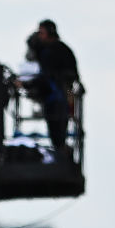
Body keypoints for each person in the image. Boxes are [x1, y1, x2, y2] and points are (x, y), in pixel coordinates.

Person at [26, 19, 79, 153]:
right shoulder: (62, 49)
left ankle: (61, 152)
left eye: (41, 33)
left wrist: (27, 84)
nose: (39, 36)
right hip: (64, 95)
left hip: (58, 97)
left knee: (57, 130)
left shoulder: (52, 52)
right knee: (59, 130)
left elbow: (46, 76)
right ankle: (61, 151)